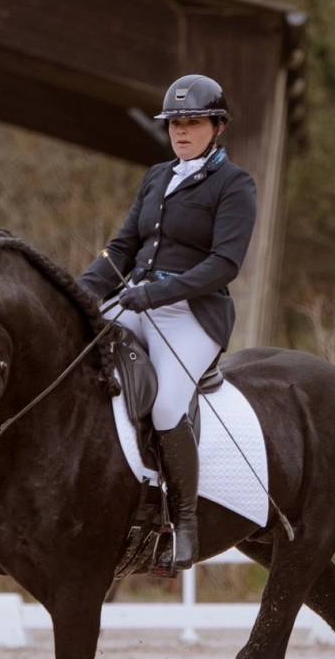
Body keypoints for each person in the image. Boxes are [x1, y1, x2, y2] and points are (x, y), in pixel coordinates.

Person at [77, 74, 258, 574]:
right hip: (135, 301)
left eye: (192, 122)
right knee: (77, 361)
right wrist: (79, 295)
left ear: (217, 127)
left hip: (192, 314)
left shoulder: (235, 185)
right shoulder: (157, 177)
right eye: (175, 123)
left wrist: (155, 294)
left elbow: (224, 265)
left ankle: (184, 521)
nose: (181, 131)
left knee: (165, 403)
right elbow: (121, 249)